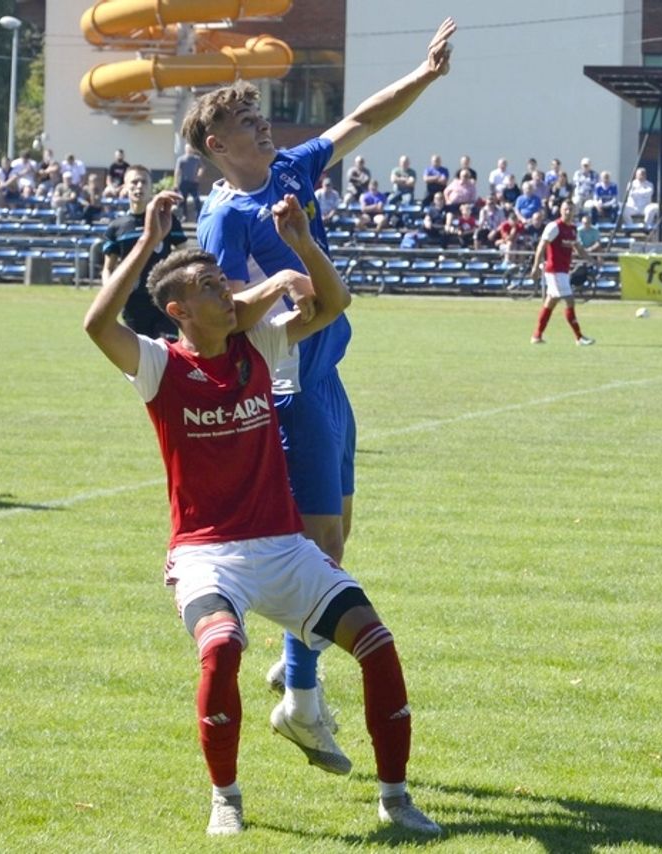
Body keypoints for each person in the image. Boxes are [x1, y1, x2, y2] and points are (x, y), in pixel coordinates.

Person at [83, 189, 441, 837]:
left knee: (379, 645)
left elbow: (334, 304)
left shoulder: (263, 349)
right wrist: (146, 241)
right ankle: (226, 796)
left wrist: (302, 243)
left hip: (282, 548)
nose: (225, 291)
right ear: (178, 311)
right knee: (221, 653)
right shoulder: (162, 365)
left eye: (224, 283)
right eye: (208, 287)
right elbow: (97, 327)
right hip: (205, 557)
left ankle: (395, 798)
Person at [185, 16, 455, 779]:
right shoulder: (224, 214)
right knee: (319, 546)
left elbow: (361, 119)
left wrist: (425, 75)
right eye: (245, 123)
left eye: (259, 117)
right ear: (216, 147)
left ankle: (292, 669)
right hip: (291, 385)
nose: (262, 127)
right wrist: (281, 282)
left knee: (336, 538)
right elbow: (222, 305)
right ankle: (300, 698)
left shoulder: (293, 169)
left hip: (330, 382)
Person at [101, 165, 187, 339]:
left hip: (164, 300)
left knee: (168, 356)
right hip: (133, 305)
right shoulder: (116, 227)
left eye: (143, 182)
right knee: (137, 362)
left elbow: (183, 254)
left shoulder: (166, 219)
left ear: (151, 187)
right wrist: (110, 294)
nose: (139, 186)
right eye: (134, 182)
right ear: (125, 187)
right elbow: (108, 268)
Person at [529, 200, 595, 346]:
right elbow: (542, 245)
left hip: (563, 271)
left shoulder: (572, 229)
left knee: (550, 303)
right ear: (560, 210)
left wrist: (591, 260)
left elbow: (578, 247)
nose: (568, 212)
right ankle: (579, 337)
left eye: (570, 209)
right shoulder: (554, 227)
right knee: (569, 299)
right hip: (554, 270)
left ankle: (537, 336)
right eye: (565, 209)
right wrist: (535, 267)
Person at [174, 143, 204, 222]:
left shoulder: (196, 159)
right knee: (182, 200)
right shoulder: (181, 159)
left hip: (193, 183)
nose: (189, 150)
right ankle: (184, 216)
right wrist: (176, 183)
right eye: (188, 149)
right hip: (184, 182)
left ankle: (198, 217)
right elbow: (177, 172)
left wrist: (198, 175)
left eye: (190, 149)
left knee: (197, 200)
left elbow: (202, 168)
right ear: (185, 149)